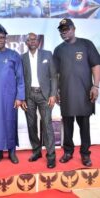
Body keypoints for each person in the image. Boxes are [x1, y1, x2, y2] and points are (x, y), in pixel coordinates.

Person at [53, 18, 100, 167]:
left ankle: (85, 154)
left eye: (67, 29)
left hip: (84, 93)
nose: (64, 32)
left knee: (84, 126)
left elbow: (96, 65)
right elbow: (56, 74)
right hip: (66, 93)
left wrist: (96, 86)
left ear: (74, 29)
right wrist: (57, 91)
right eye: (61, 30)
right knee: (67, 125)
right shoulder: (59, 49)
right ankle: (68, 152)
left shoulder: (87, 44)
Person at [0, 24, 25, 164]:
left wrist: (20, 97)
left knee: (10, 123)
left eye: (2, 37)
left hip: (10, 97)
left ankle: (12, 152)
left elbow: (20, 78)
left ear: (6, 39)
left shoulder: (14, 55)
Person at [21, 32, 57, 169]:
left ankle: (51, 155)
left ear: (38, 41)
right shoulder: (22, 58)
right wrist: (21, 97)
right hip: (29, 96)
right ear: (26, 43)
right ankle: (36, 151)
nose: (32, 41)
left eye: (34, 39)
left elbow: (54, 76)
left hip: (45, 96)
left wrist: (53, 94)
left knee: (47, 125)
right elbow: (20, 79)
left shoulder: (47, 54)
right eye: (29, 40)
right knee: (31, 125)